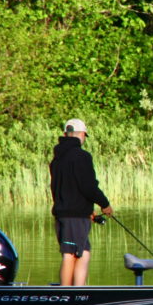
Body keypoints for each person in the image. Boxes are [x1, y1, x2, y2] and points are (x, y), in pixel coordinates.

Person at [49, 118, 113, 286]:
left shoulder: (57, 159)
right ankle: (67, 294)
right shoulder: (82, 156)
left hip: (67, 214)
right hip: (74, 217)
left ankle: (79, 290)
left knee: (83, 253)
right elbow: (88, 186)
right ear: (83, 135)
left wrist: (87, 210)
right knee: (70, 254)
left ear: (65, 134)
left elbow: (60, 188)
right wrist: (104, 204)